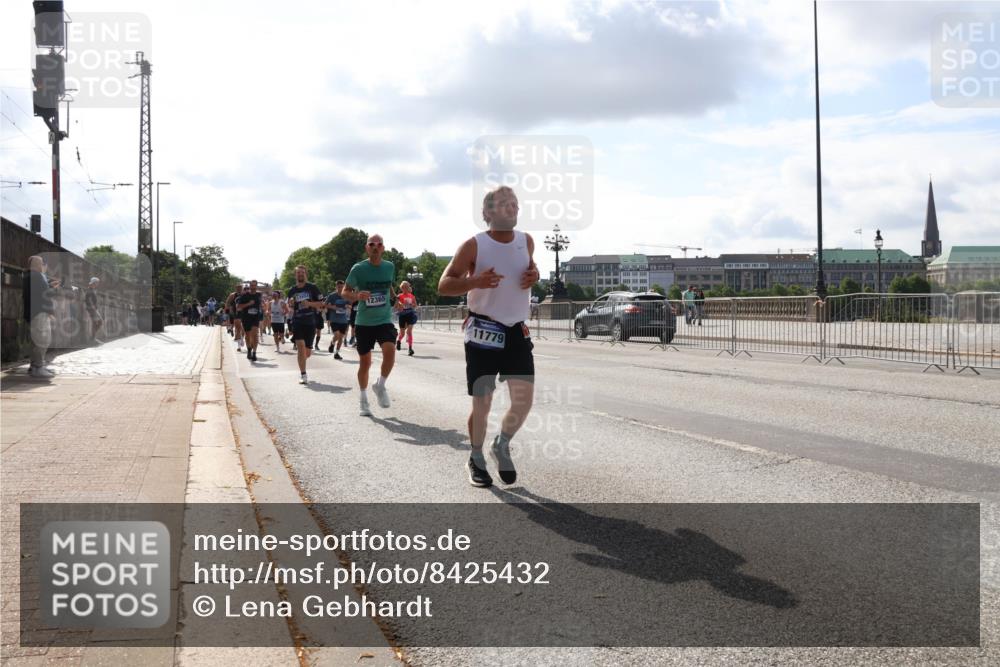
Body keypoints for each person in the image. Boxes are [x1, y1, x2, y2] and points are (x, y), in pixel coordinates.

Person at [438, 186, 539, 487]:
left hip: (516, 330)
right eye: (505, 204)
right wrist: (475, 281)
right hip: (483, 331)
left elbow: (529, 271)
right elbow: (444, 285)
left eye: (515, 204)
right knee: (482, 402)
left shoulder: (527, 241)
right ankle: (476, 457)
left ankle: (501, 443)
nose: (513, 208)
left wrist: (535, 275)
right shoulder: (473, 245)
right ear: (488, 213)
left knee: (523, 401)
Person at [342, 234, 397, 416]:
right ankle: (364, 399)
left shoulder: (389, 266)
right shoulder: (358, 269)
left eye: (379, 244)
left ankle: (380, 386)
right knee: (365, 363)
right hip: (364, 322)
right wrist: (357, 296)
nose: (375, 247)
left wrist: (395, 298)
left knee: (390, 352)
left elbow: (388, 285)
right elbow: (344, 292)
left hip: (383, 320)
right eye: (372, 244)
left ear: (383, 248)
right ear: (367, 248)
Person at [23, 255, 60, 378]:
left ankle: (34, 366)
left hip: (32, 313)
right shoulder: (37, 276)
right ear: (36, 264)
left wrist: (49, 285)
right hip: (39, 313)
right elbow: (45, 295)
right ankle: (38, 367)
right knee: (43, 341)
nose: (43, 265)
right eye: (41, 263)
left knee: (36, 341)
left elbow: (39, 292)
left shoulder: (29, 276)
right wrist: (51, 311)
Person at [286, 265, 324, 384]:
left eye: (302, 273)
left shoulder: (312, 287)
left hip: (310, 322)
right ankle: (303, 374)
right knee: (300, 347)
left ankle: (304, 357)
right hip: (298, 321)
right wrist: (290, 304)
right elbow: (289, 307)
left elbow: (321, 303)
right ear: (295, 275)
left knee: (306, 353)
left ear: (305, 274)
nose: (300, 275)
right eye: (298, 273)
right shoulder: (292, 290)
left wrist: (309, 304)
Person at [236, 280, 263, 361]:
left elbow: (261, 304)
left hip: (255, 318)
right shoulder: (244, 296)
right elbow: (238, 307)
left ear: (256, 286)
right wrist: (248, 304)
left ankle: (254, 353)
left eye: (255, 285)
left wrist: (263, 307)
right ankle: (249, 350)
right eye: (252, 285)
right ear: (250, 286)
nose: (253, 287)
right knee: (248, 336)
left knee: (255, 335)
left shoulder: (259, 295)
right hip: (246, 318)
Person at [325, 281, 351, 360]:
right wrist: (333, 307)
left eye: (342, 287)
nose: (340, 288)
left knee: (341, 338)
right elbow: (325, 304)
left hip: (343, 320)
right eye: (339, 287)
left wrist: (347, 306)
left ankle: (336, 353)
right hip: (334, 319)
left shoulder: (346, 295)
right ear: (336, 287)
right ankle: (332, 344)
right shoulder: (332, 296)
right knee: (336, 335)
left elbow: (350, 305)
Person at [394, 280, 418, 356]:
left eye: (406, 287)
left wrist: (412, 305)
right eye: (403, 287)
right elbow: (395, 306)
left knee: (409, 331)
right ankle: (398, 341)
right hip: (402, 315)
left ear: (408, 288)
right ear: (401, 288)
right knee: (403, 333)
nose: (405, 288)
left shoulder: (412, 296)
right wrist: (400, 305)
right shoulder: (399, 296)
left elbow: (415, 305)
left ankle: (410, 349)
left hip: (410, 314)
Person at [85, 277, 104, 344]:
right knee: (99, 322)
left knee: (96, 323)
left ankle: (93, 338)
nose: (97, 284)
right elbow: (89, 300)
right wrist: (94, 309)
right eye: (97, 283)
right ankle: (93, 338)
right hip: (92, 309)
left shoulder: (92, 289)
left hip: (93, 309)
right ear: (94, 282)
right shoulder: (89, 290)